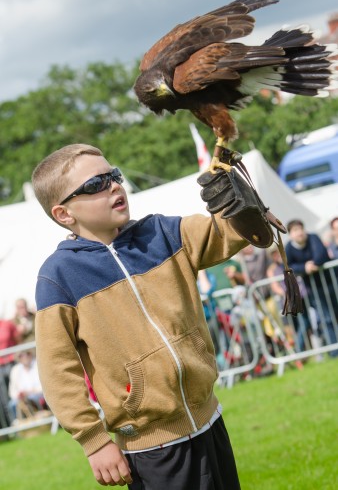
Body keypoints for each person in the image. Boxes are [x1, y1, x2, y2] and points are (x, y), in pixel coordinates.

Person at [31, 143, 249, 489]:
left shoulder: (162, 232)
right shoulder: (59, 276)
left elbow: (231, 233)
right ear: (64, 214)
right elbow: (58, 371)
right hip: (152, 450)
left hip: (210, 422)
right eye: (95, 185)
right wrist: (94, 441)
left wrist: (234, 185)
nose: (114, 185)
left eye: (113, 175)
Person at [285, 219, 338, 357]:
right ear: (290, 234)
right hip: (314, 289)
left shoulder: (313, 237)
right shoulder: (289, 248)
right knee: (326, 318)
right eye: (295, 230)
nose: (299, 233)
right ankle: (334, 351)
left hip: (332, 282)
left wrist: (312, 264)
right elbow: (289, 267)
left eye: (300, 229)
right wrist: (304, 267)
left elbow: (321, 254)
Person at [8, 350, 44, 423]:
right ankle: (20, 427)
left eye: (27, 354)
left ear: (31, 354)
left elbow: (43, 386)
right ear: (19, 358)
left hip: (37, 394)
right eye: (21, 355)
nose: (25, 357)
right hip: (21, 398)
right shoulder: (15, 370)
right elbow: (12, 391)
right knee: (12, 404)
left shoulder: (38, 364)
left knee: (32, 399)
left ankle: (39, 423)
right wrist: (18, 395)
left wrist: (30, 391)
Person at [0, 319, 21, 428]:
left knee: (15, 394)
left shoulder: (7, 324)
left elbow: (18, 339)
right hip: (0, 367)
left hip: (11, 363)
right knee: (4, 400)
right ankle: (11, 427)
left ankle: (20, 424)